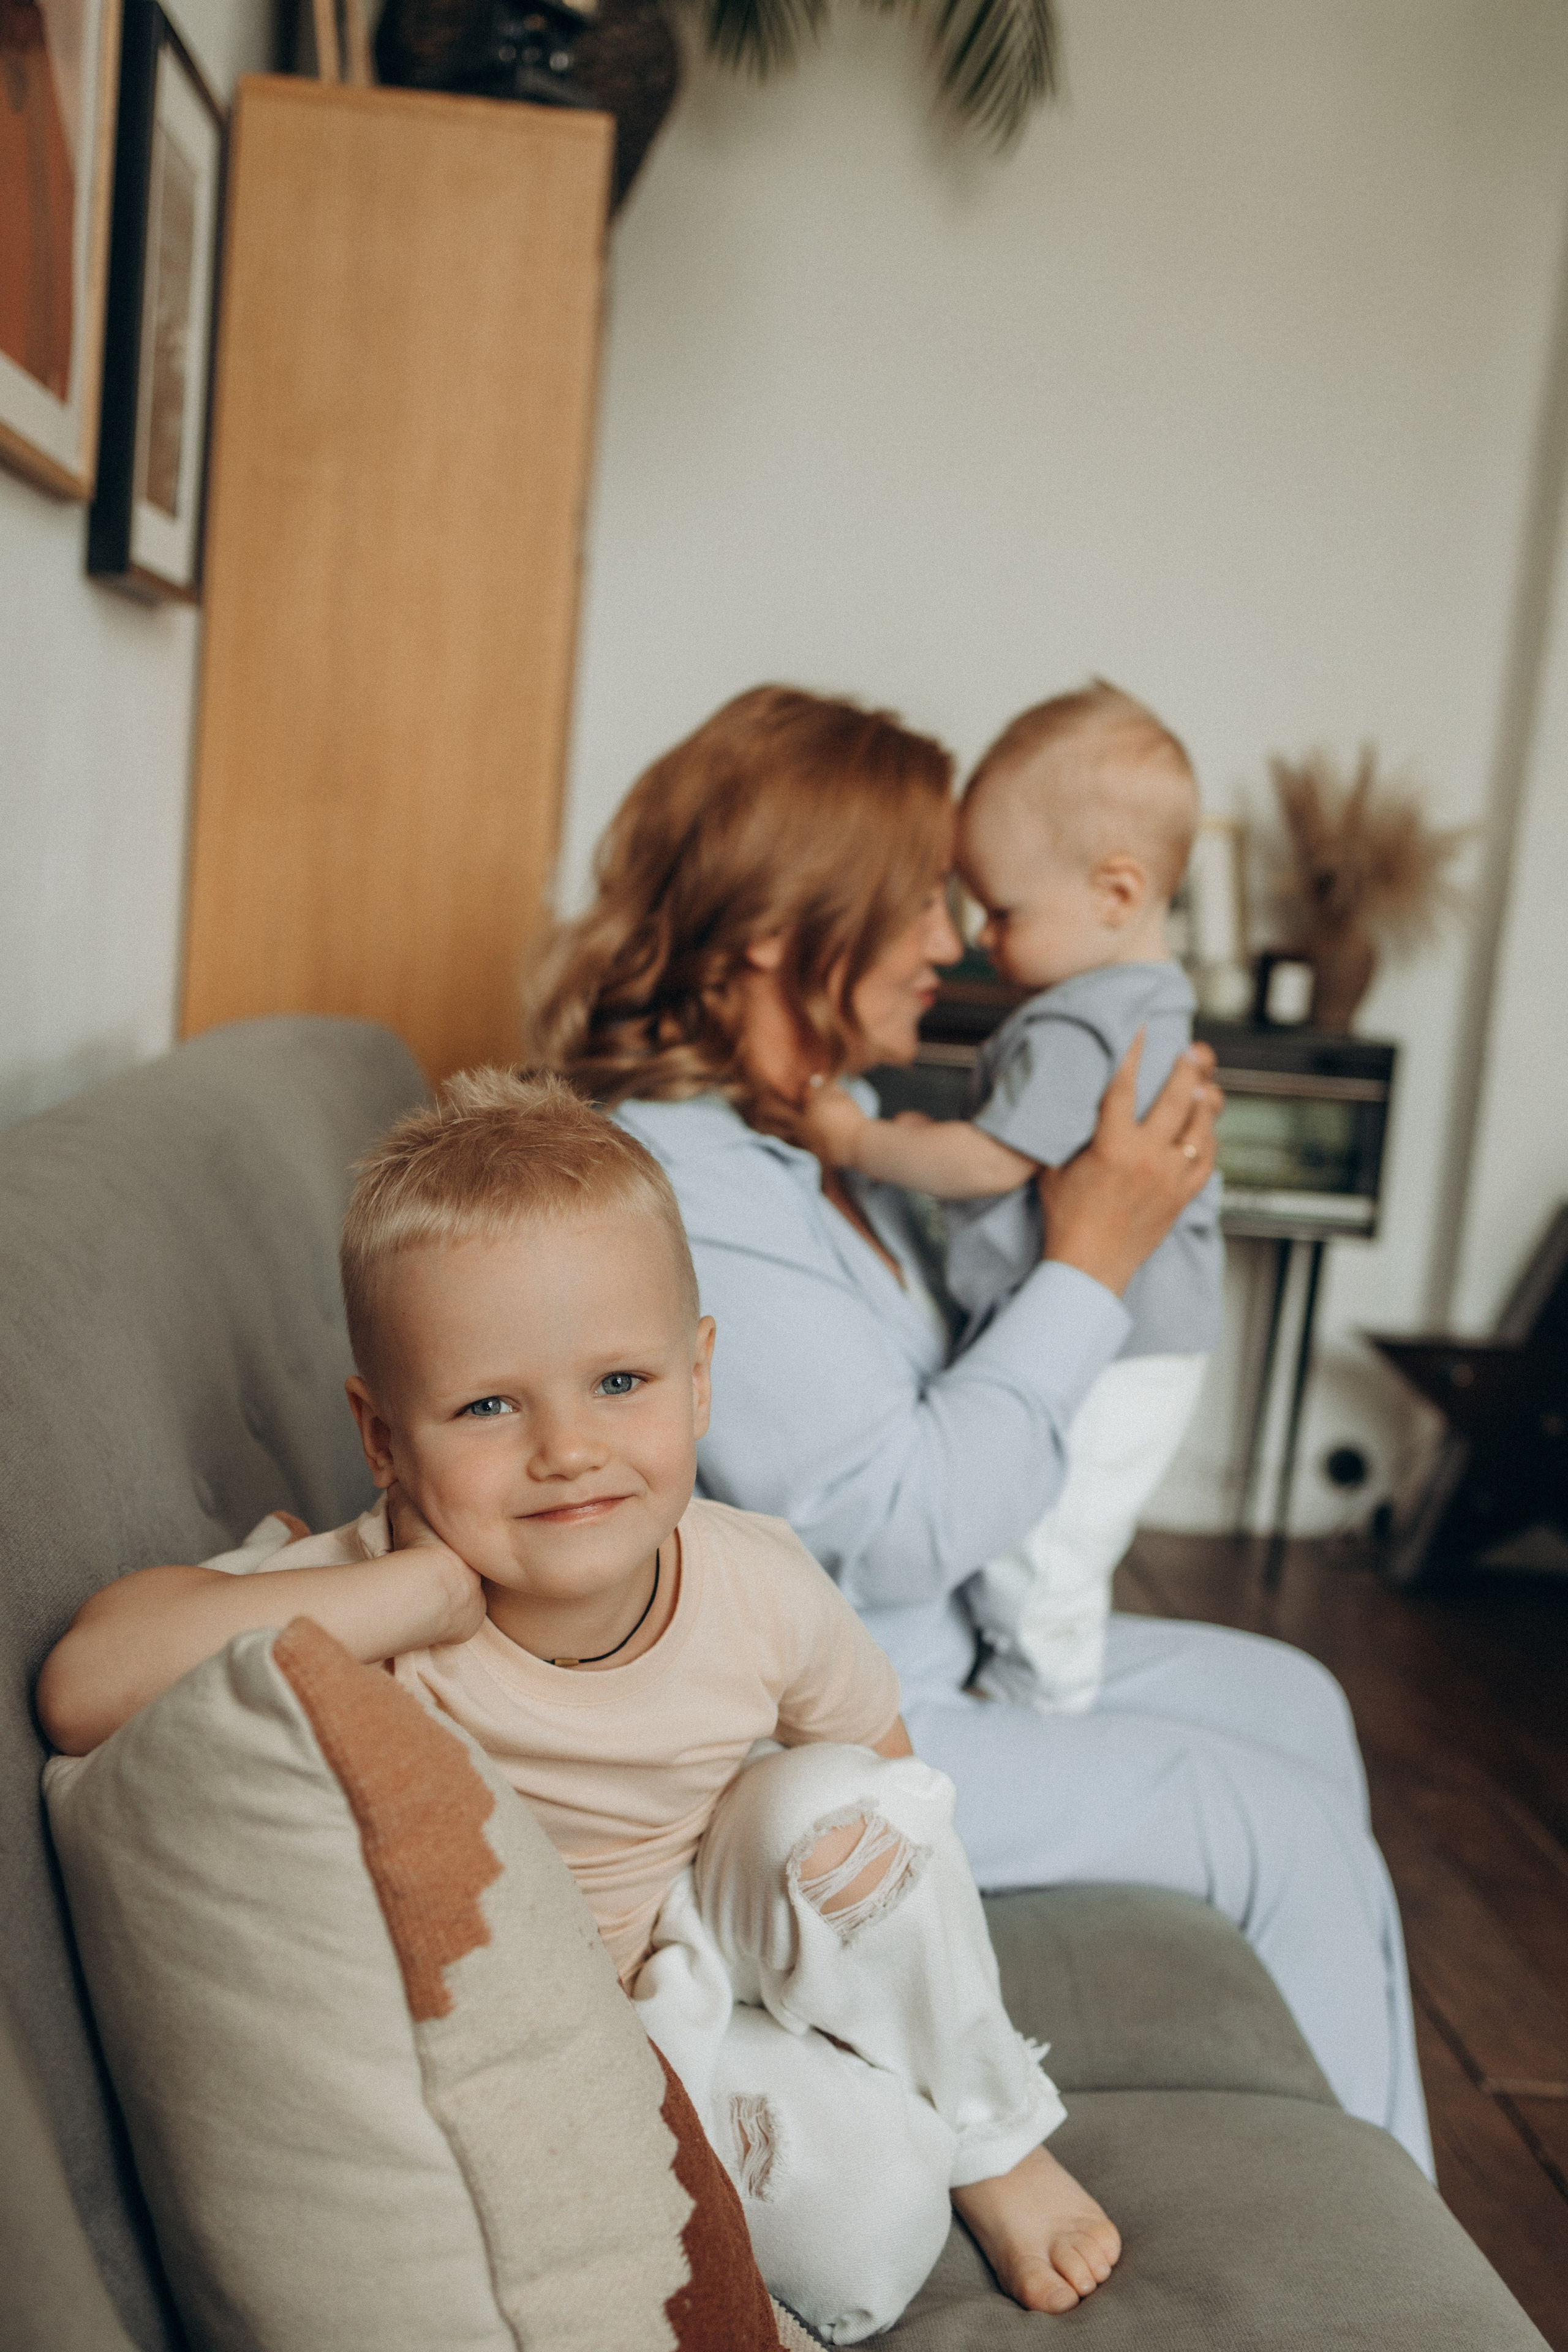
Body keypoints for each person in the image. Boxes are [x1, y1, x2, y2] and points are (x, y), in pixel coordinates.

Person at [37, 1072, 1122, 2345]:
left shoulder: (758, 1580)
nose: (566, 1448)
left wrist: (891, 1978)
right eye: (489, 1406)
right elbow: (83, 1687)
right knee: (868, 2236)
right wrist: (414, 1592)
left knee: (838, 1806)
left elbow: (894, 1795)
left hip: (712, 1915)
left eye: (619, 1381)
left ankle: (994, 2134)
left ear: (698, 1378)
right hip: (605, 2039)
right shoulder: (362, 1597)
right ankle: (853, 2120)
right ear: (382, 1439)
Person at [528, 682, 1434, 2179]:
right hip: (841, 1720)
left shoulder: (821, 1128)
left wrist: (1092, 1199)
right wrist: (1094, 1258)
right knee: (1277, 1831)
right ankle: (1386, 2262)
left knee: (1296, 1702)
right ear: (780, 930)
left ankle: (1333, 2174)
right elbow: (900, 1521)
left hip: (948, 1644)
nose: (951, 943)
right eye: (918, 900)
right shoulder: (682, 1187)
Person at [799, 681, 1222, 1716]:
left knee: (1044, 1545)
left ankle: (1041, 1704)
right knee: (1057, 1532)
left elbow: (992, 1162)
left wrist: (860, 1140)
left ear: (1116, 894)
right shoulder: (1136, 1005)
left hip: (1113, 1345)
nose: (979, 938)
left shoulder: (1083, 1024)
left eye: (1002, 911)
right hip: (1133, 1338)